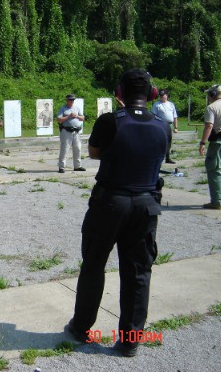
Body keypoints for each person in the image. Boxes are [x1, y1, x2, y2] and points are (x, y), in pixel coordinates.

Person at [66, 69, 169, 357]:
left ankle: (82, 327)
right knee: (137, 272)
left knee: (94, 264)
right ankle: (130, 340)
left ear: (119, 92)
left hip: (110, 201)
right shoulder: (163, 125)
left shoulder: (110, 120)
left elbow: (95, 153)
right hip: (147, 204)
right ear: (151, 93)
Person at [199, 84, 221, 210]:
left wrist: (202, 142)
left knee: (214, 169)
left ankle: (216, 201)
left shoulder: (211, 107)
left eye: (209, 94)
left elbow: (209, 126)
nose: (208, 96)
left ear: (213, 94)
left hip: (217, 141)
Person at [57, 94, 86, 173]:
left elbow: (83, 118)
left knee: (78, 148)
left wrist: (76, 116)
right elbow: (59, 119)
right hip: (66, 131)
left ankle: (77, 166)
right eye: (70, 100)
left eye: (73, 100)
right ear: (66, 100)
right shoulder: (63, 109)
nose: (72, 101)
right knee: (65, 149)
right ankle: (61, 167)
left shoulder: (76, 108)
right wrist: (68, 116)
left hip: (76, 131)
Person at [152, 89, 178, 163]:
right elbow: (153, 116)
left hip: (169, 125)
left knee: (169, 141)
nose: (161, 97)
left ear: (166, 95)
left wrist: (175, 127)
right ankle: (159, 158)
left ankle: (167, 158)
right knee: (162, 141)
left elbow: (175, 116)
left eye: (163, 95)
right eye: (160, 95)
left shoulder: (171, 104)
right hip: (161, 125)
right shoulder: (157, 104)